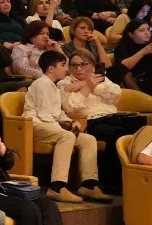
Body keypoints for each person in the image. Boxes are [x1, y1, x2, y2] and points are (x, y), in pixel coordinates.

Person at [20, 50, 111, 202]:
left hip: (49, 125)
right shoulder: (41, 84)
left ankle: (89, 184)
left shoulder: (54, 86)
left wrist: (70, 121)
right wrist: (66, 127)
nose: (66, 69)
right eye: (63, 65)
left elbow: (58, 112)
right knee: (67, 136)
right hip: (35, 126)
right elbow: (45, 115)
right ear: (51, 69)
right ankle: (57, 187)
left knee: (88, 139)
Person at [61, 52, 143, 194]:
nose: (78, 69)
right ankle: (112, 182)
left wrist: (90, 85)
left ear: (92, 66)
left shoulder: (102, 79)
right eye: (74, 65)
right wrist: (86, 87)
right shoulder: (65, 83)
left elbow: (115, 96)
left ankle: (138, 180)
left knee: (141, 130)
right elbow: (71, 107)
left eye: (83, 64)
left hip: (112, 117)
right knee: (119, 134)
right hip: (89, 121)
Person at [113, 19, 152, 92]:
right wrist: (143, 52)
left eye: (148, 30)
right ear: (131, 34)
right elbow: (123, 67)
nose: (147, 33)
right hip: (139, 82)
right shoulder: (122, 47)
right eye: (141, 30)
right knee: (125, 74)